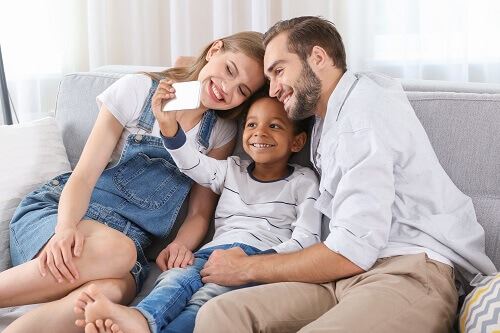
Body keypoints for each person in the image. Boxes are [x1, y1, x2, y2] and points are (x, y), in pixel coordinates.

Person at [193, 16, 498, 333]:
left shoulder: (362, 117)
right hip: (344, 276)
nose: (274, 89)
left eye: (279, 71)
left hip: (407, 272)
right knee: (221, 315)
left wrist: (247, 268)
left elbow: (351, 251)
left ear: (318, 57)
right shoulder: (330, 113)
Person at [0, 31, 266, 333]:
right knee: (119, 252)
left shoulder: (219, 132)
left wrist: (180, 244)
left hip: (129, 251)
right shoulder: (139, 90)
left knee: (110, 294)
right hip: (67, 216)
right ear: (214, 49)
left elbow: (199, 213)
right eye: (229, 69)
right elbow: (84, 175)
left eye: (242, 90)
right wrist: (65, 229)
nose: (226, 88)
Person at [73, 94, 322, 333]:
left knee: (208, 299)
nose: (260, 132)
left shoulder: (303, 181)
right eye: (252, 124)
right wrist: (170, 130)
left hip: (259, 259)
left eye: (275, 126)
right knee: (174, 280)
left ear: (297, 142)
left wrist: (256, 262)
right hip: (210, 254)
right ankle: (140, 318)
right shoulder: (231, 169)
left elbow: (306, 240)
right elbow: (193, 164)